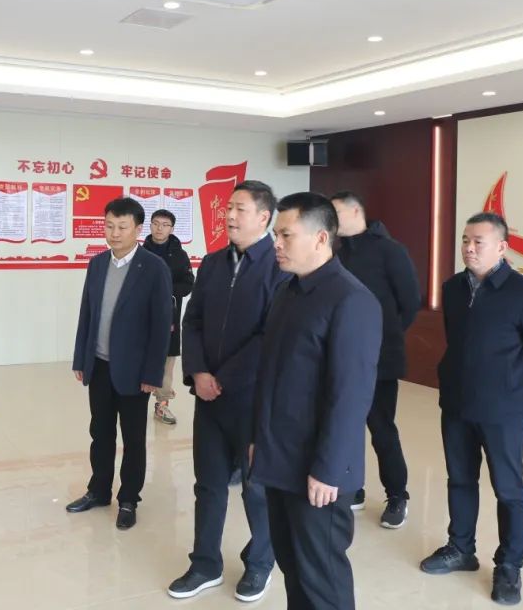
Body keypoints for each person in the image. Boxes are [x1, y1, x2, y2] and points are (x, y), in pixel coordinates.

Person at [420, 212, 523, 607]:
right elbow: (457, 341)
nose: (469, 247)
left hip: (503, 412)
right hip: (457, 404)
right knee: (460, 479)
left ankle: (510, 565)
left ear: (502, 247)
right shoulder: (452, 288)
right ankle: (461, 548)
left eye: (478, 241)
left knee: (508, 489)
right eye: (465, 240)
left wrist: (511, 389)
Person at [250, 192, 381, 610]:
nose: (277, 244)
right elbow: (270, 376)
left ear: (321, 238)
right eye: (275, 235)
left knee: (322, 580)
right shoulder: (288, 291)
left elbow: (350, 397)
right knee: (293, 566)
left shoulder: (351, 299)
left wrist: (328, 469)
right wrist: (258, 439)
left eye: (286, 235)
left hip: (319, 471)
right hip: (280, 458)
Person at [168, 181, 287, 603]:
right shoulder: (214, 263)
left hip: (252, 399)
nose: (230, 215)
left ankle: (260, 563)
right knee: (209, 484)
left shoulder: (278, 266)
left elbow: (269, 335)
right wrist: (199, 372)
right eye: (228, 208)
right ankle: (205, 564)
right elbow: (193, 320)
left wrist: (223, 378)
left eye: (240, 209)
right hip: (209, 398)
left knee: (257, 487)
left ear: (264, 217)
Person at [66, 197, 173, 530]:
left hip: (135, 371)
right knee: (100, 432)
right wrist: (81, 357)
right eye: (109, 225)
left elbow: (161, 326)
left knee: (133, 438)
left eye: (122, 227)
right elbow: (87, 313)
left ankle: (129, 499)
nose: (114, 233)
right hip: (99, 364)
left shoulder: (154, 268)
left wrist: (153, 374)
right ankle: (99, 491)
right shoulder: (98, 264)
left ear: (138, 229)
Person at [330, 191, 421, 528]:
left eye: (337, 213)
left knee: (381, 428)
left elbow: (409, 302)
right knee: (345, 425)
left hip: (380, 358)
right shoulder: (335, 252)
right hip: (340, 357)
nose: (332, 220)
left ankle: (397, 495)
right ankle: (353, 486)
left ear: (357, 212)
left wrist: (383, 335)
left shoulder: (390, 250)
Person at [143, 208, 195, 425]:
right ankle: (135, 403)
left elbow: (188, 284)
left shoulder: (180, 255)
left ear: (172, 229)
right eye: (156, 223)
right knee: (140, 358)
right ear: (150, 226)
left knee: (167, 362)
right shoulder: (139, 252)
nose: (159, 228)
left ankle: (162, 404)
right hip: (141, 317)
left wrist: (165, 290)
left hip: (169, 316)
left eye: (165, 225)